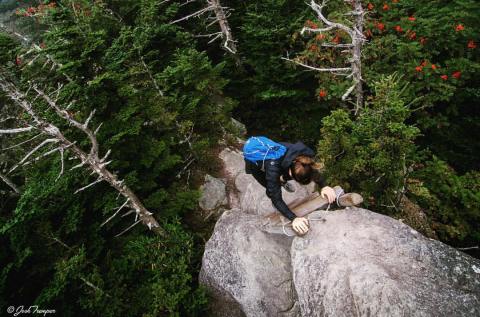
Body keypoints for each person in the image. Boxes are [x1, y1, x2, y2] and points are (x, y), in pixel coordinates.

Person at [243, 137, 336, 235]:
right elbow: (276, 199)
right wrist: (293, 218)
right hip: (253, 159)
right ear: (290, 172)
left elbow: (311, 170)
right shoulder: (273, 170)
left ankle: (282, 180)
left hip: (272, 151)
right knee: (271, 189)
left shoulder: (300, 155)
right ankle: (280, 182)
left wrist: (324, 186)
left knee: (280, 176)